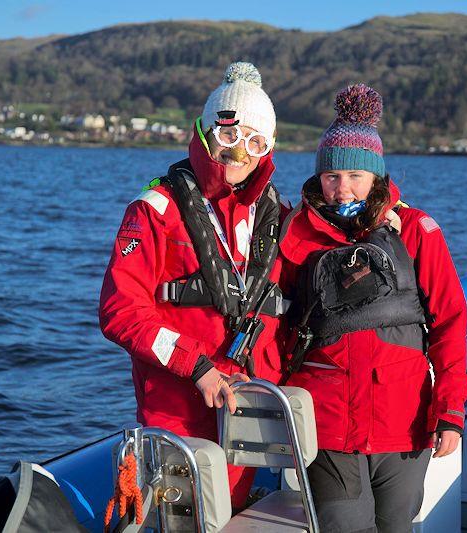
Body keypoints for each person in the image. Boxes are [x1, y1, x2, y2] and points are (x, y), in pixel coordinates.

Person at [279, 84, 467, 532]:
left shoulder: (419, 231)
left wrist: (450, 412)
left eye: (355, 176)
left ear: (376, 177)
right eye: (331, 177)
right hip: (326, 422)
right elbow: (273, 324)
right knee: (344, 524)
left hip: (403, 421)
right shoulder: (294, 235)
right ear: (318, 177)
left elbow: (449, 322)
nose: (342, 189)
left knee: (396, 524)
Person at [99, 62, 287, 509]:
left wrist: (391, 209)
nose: (239, 153)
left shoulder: (276, 216)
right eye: (230, 135)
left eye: (255, 142)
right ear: (206, 132)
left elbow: (335, 225)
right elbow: (120, 311)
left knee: (236, 510)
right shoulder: (153, 211)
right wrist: (197, 367)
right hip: (177, 407)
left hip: (246, 406)